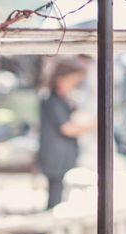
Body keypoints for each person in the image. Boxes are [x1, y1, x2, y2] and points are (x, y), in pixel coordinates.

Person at [38, 58, 95, 209]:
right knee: (55, 201)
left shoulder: (63, 100)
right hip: (56, 159)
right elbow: (67, 128)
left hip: (63, 157)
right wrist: (93, 126)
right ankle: (47, 231)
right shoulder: (52, 99)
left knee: (61, 197)